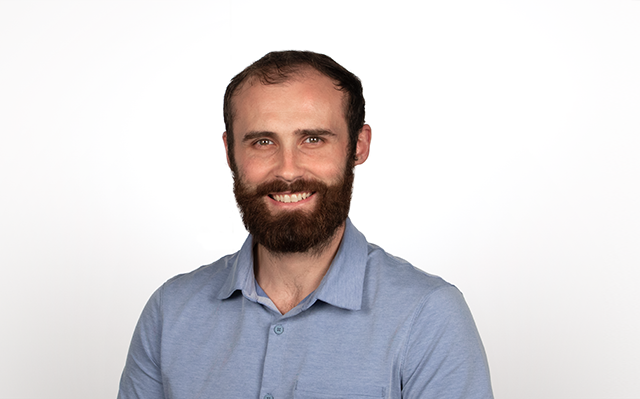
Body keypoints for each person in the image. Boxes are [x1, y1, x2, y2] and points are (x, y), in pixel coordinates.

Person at [118, 50, 493, 399]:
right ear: (230, 151)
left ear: (358, 146)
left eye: (313, 139)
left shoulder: (429, 316)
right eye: (263, 141)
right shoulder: (170, 311)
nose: (287, 170)